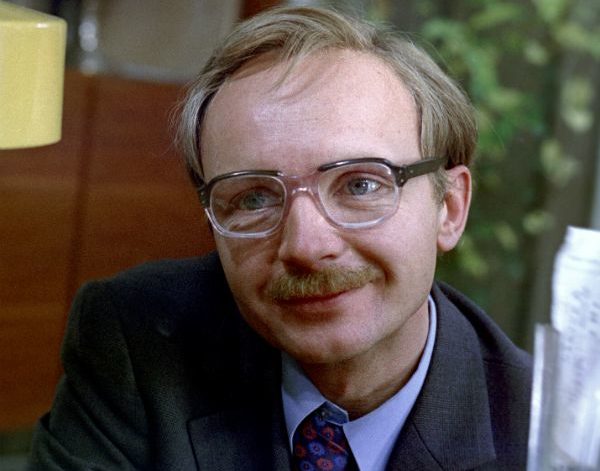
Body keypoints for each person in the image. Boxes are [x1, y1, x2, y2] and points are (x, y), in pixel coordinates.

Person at [29, 6, 532, 470]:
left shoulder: (542, 437)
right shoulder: (135, 339)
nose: (306, 246)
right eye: (254, 198)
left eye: (360, 185)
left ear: (449, 208)